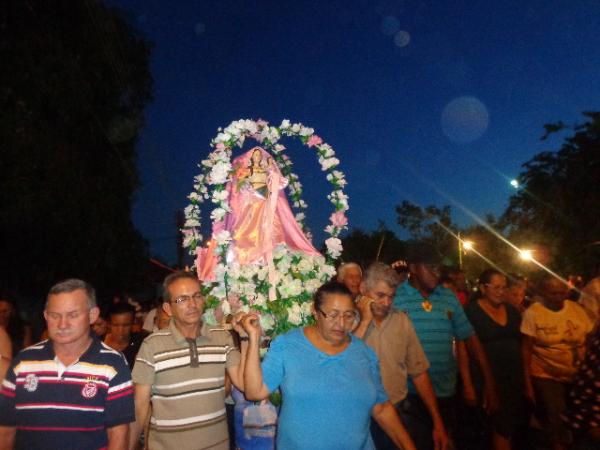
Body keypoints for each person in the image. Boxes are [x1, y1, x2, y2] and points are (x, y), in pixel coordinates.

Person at [242, 282, 417, 450]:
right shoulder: (288, 345)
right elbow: (254, 391)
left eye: (349, 315)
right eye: (333, 315)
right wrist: (252, 338)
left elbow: (381, 408)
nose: (341, 324)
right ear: (315, 312)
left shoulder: (364, 353)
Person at [0, 279, 134, 449]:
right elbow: (6, 429)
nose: (62, 324)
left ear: (92, 315)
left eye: (73, 315)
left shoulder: (112, 364)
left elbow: (118, 434)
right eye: (55, 315)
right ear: (46, 316)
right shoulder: (23, 362)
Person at [393, 243, 499, 449]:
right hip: (411, 395)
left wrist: (489, 382)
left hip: (446, 391)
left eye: (438, 267)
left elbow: (469, 338)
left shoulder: (448, 297)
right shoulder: (396, 298)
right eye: (430, 267)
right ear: (413, 268)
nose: (437, 272)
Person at [129, 271, 248, 450]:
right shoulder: (151, 345)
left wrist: (246, 338)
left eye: (196, 296)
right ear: (168, 308)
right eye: (182, 299)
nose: (192, 304)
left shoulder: (222, 338)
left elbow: (245, 383)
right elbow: (139, 407)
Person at [353, 262, 449, 450]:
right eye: (380, 295)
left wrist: (438, 422)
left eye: (391, 296)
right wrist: (364, 322)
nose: (387, 303)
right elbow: (343, 361)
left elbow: (419, 373)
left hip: (397, 414)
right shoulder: (345, 320)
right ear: (363, 289)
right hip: (358, 419)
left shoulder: (401, 321)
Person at [196, 147, 320, 282]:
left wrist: (269, 179)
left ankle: (267, 257)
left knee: (270, 231)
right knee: (242, 234)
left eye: (259, 155)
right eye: (254, 155)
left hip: (263, 205)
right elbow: (236, 183)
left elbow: (274, 185)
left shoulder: (265, 170)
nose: (257, 157)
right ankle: (246, 261)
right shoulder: (246, 171)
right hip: (249, 207)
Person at [521, 276, 595, 450]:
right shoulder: (534, 313)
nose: (558, 297)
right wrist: (528, 383)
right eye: (553, 293)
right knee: (556, 413)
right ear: (543, 293)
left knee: (577, 414)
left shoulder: (576, 309)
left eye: (562, 292)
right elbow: (526, 349)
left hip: (576, 373)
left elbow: (589, 338)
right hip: (546, 373)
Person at [465, 269, 528, 450]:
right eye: (496, 287)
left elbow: (522, 344)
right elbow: (463, 348)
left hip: (512, 377)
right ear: (483, 288)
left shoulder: (512, 312)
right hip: (488, 378)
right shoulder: (471, 311)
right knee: (500, 425)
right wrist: (469, 384)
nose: (501, 291)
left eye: (504, 287)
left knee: (509, 425)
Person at [104, 302, 146, 368]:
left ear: (133, 324)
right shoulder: (98, 343)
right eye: (116, 325)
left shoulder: (140, 344)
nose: (120, 330)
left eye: (126, 325)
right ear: (109, 324)